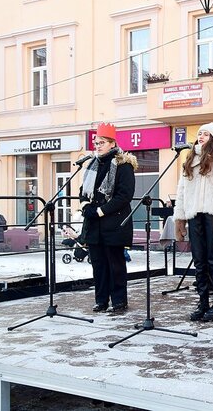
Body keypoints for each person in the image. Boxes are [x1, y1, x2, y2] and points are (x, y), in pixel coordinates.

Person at [173, 122, 213, 322]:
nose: (200, 137)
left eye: (206, 134)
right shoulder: (190, 159)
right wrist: (179, 217)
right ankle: (203, 302)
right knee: (199, 261)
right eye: (199, 133)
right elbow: (182, 191)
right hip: (195, 215)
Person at [79, 123, 137, 313]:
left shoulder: (123, 164)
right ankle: (101, 300)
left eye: (102, 142)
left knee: (115, 265)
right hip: (94, 225)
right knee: (98, 265)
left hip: (114, 223)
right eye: (96, 143)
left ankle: (119, 301)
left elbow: (124, 195)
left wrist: (100, 211)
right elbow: (83, 190)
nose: (98, 146)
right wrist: (85, 206)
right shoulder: (92, 165)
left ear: (112, 143)